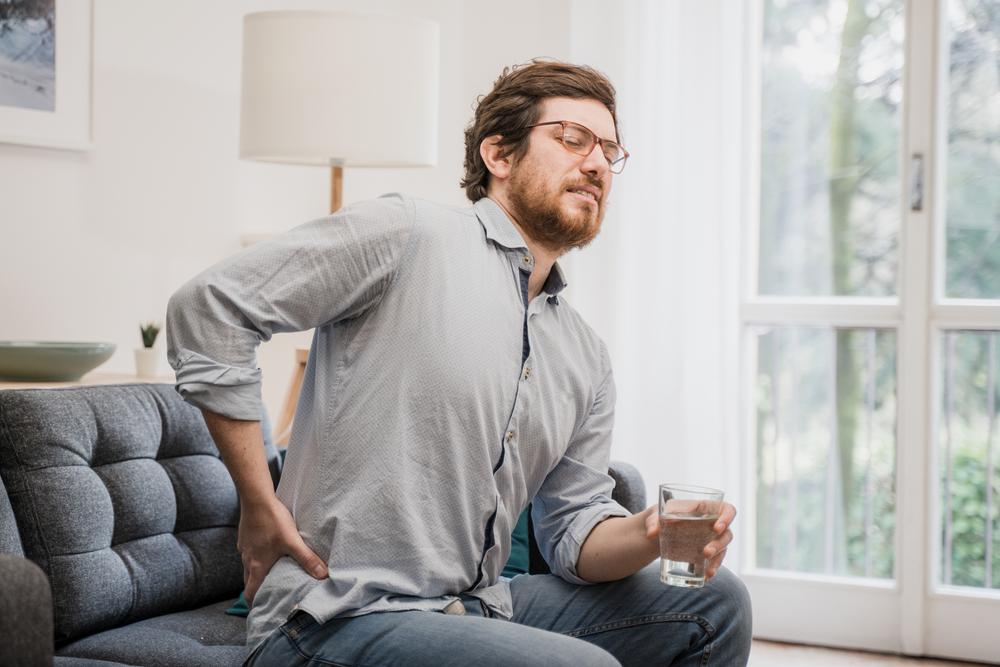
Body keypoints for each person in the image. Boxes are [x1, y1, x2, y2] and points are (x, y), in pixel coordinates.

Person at [166, 59, 752, 666]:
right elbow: (209, 309)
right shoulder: (405, 234)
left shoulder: (584, 354)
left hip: (481, 606)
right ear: (499, 154)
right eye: (572, 139)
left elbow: (574, 533)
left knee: (715, 604)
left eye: (609, 150)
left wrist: (650, 532)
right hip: (333, 618)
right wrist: (259, 502)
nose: (598, 163)